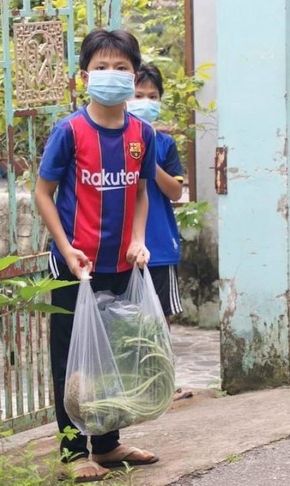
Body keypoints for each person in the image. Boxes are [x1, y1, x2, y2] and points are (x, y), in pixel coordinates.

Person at [34, 28, 160, 483]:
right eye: (101, 67)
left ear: (135, 74)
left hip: (121, 264)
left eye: (121, 67)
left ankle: (107, 445)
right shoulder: (70, 131)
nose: (111, 75)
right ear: (84, 75)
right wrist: (66, 249)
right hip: (75, 266)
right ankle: (72, 453)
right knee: (71, 360)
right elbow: (43, 193)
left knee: (113, 355)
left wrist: (138, 239)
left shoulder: (141, 134)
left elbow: (142, 193)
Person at [126, 63, 192, 401]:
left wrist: (149, 162)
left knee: (160, 316)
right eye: (138, 95)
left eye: (152, 96)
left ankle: (164, 383)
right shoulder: (113, 138)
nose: (145, 101)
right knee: (124, 317)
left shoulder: (164, 144)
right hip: (122, 247)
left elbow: (175, 192)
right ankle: (132, 383)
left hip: (159, 245)